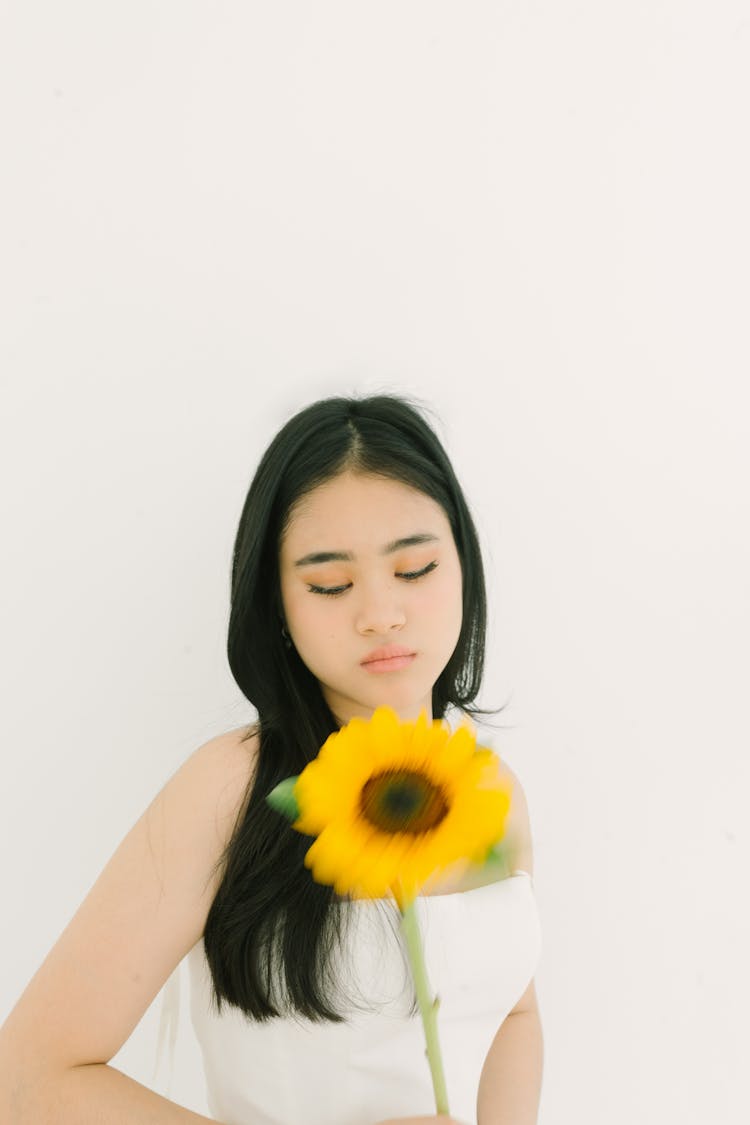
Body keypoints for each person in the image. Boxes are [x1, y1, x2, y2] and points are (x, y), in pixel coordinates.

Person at [0, 393, 543, 1125]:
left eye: (414, 569)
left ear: (464, 567)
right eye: (330, 583)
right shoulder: (232, 789)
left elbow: (512, 1015)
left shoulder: (491, 787)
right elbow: (30, 1077)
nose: (380, 611)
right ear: (277, 605)